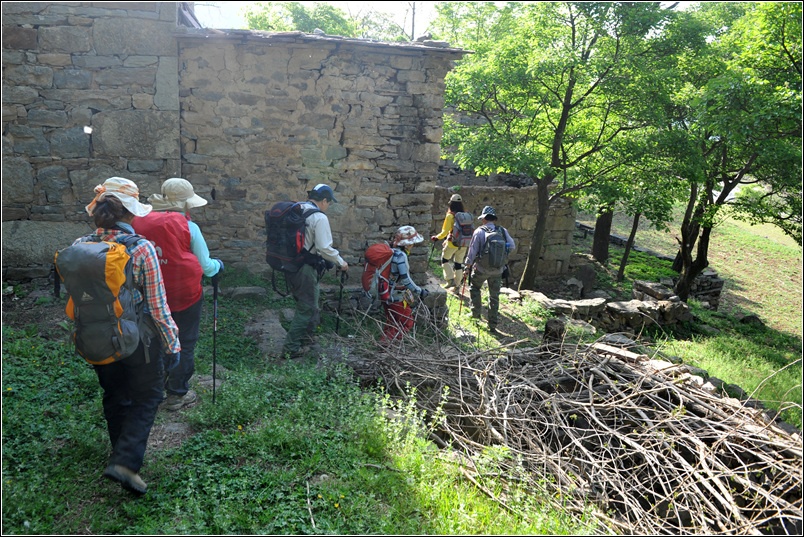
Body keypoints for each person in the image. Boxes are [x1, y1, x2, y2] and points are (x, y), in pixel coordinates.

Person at [81, 177, 181, 496]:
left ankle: (120, 456)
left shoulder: (80, 246)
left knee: (115, 395)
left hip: (96, 335)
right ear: (132, 213)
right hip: (137, 341)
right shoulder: (142, 249)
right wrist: (172, 343)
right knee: (148, 395)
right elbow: (157, 306)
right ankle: (124, 462)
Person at [132, 178, 224, 412]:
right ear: (185, 203)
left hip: (150, 294)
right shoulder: (188, 227)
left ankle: (154, 388)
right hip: (185, 295)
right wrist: (219, 266)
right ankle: (176, 394)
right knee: (185, 342)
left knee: (154, 340)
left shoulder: (138, 222)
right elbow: (206, 266)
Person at [281, 183, 348, 359]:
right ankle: (291, 348)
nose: (328, 206)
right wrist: (341, 262)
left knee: (308, 303)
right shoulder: (319, 217)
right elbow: (324, 248)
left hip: (290, 264)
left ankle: (306, 338)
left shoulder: (298, 209)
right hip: (305, 268)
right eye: (329, 202)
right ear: (324, 200)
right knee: (307, 308)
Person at [463, 206, 516, 334]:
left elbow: (472, 251)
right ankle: (492, 324)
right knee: (494, 296)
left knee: (475, 288)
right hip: (498, 270)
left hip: (481, 268)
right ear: (494, 219)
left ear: (484, 219)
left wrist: (467, 267)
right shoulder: (503, 231)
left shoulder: (479, 232)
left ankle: (475, 314)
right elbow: (512, 246)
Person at [380, 225, 430, 344]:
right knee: (406, 322)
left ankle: (383, 346)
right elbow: (405, 280)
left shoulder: (391, 251)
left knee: (392, 321)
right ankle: (386, 345)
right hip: (396, 296)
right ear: (407, 244)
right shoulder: (401, 256)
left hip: (385, 293)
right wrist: (420, 291)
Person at [430, 193, 469, 290]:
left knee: (445, 260)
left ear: (451, 204)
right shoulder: (466, 215)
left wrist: (437, 237)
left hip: (452, 243)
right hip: (464, 243)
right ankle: (457, 286)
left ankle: (450, 280)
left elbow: (445, 231)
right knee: (458, 264)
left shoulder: (450, 216)